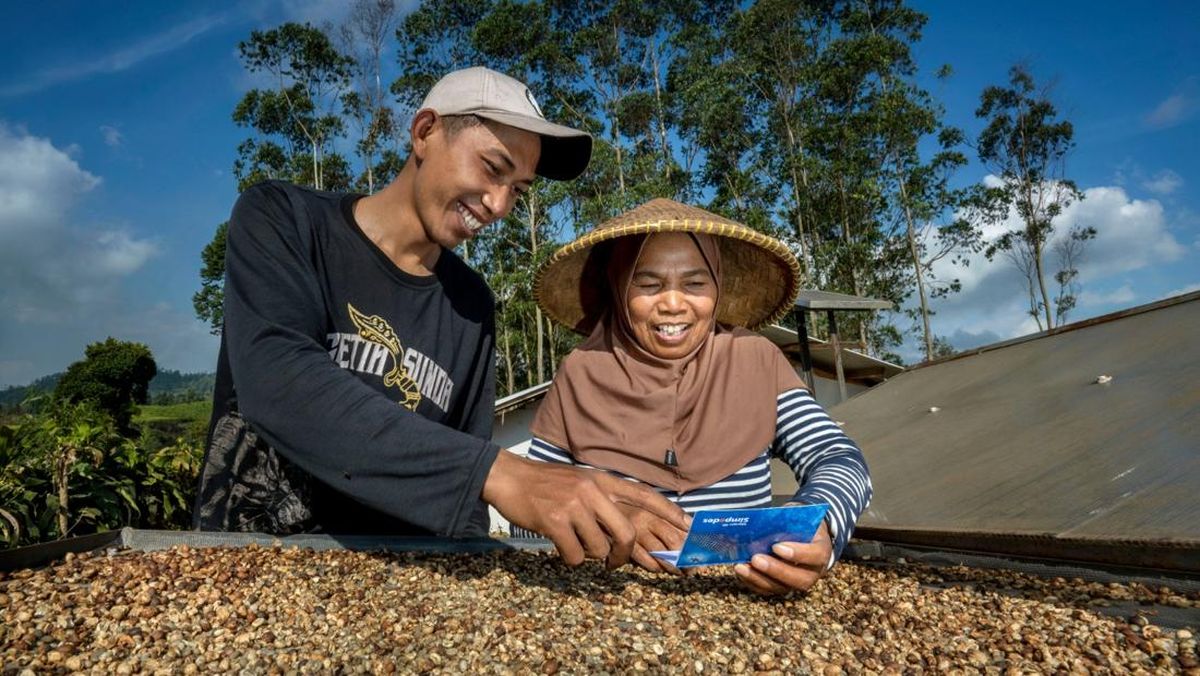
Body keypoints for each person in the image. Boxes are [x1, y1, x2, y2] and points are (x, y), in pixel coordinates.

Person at [193, 67, 687, 568]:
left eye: (518, 189)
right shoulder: (284, 219)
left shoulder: (471, 305)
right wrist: (502, 474)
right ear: (425, 132)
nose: (498, 205)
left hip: (391, 581)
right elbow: (278, 380)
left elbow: (462, 485)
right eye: (493, 168)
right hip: (247, 566)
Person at [525, 198, 873, 595]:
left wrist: (817, 523)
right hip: (608, 597)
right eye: (648, 284)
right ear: (619, 288)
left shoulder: (754, 360)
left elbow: (838, 457)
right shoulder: (581, 372)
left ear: (717, 287)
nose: (673, 304)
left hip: (743, 594)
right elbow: (532, 507)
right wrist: (607, 519)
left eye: (694, 284)